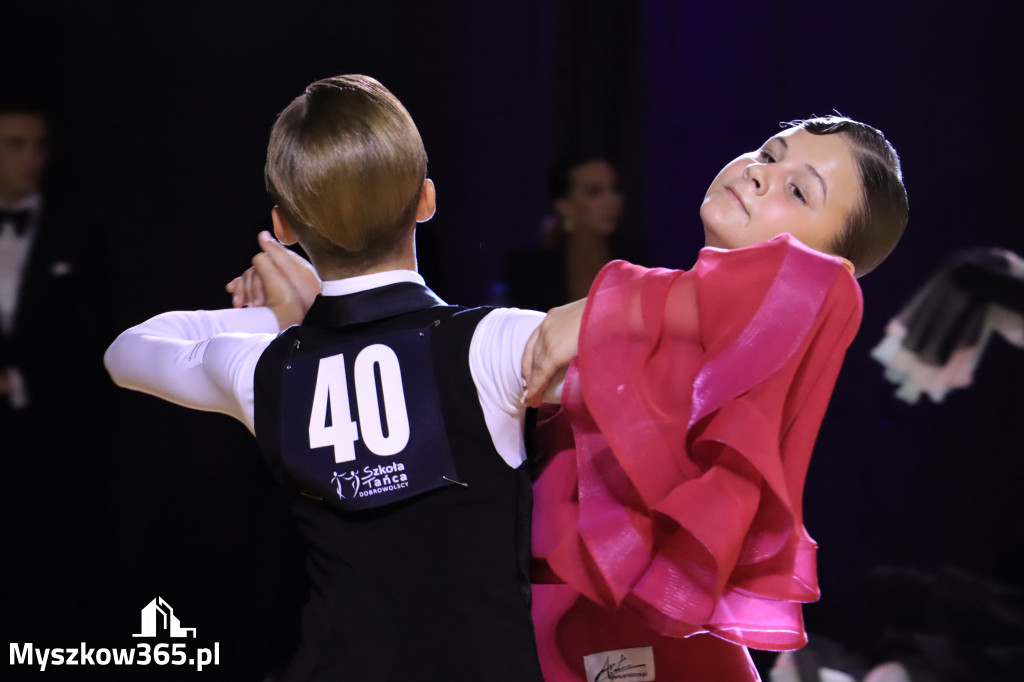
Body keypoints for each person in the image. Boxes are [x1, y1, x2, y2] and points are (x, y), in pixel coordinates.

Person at [104, 75, 548, 681]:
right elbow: (652, 322)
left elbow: (127, 351)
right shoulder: (499, 341)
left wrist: (282, 317)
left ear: (283, 226)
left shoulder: (260, 365)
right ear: (426, 200)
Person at [519, 116, 909, 681]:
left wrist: (602, 308)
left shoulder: (818, 301)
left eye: (798, 191)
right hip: (558, 626)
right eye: (769, 154)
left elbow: (794, 292)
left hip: (637, 649)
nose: (760, 175)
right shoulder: (666, 315)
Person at [2, 95, 109, 641]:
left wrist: (16, 383)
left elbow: (93, 343)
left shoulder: (76, 234)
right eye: (16, 144)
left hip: (48, 441)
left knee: (44, 585)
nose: (32, 157)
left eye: (40, 145)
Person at [505, 154, 624, 311]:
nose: (611, 200)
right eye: (594, 191)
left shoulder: (634, 263)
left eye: (614, 189)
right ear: (564, 206)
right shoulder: (532, 272)